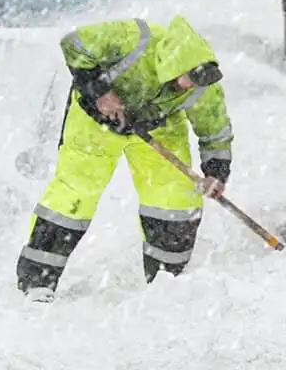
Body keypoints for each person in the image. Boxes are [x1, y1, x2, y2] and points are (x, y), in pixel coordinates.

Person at [16, 15, 234, 301]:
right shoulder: (134, 40)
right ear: (172, 64)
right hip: (96, 120)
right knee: (75, 192)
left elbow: (215, 129)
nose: (190, 86)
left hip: (157, 124)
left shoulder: (202, 82)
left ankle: (168, 280)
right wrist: (100, 91)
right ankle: (38, 281)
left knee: (175, 196)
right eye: (187, 79)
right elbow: (74, 43)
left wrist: (216, 171)